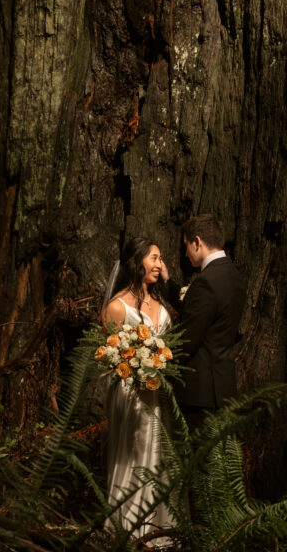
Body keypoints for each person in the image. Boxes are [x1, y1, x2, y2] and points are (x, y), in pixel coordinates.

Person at [101, 236, 175, 542]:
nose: (159, 265)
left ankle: (157, 532)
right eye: (154, 258)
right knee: (133, 457)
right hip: (131, 394)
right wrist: (135, 367)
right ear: (136, 262)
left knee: (159, 458)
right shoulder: (117, 307)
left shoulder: (161, 302)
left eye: (161, 258)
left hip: (159, 392)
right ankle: (129, 532)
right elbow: (108, 354)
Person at [175, 214, 246, 432]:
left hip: (200, 391)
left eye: (186, 246)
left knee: (198, 460)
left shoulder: (205, 282)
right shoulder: (234, 275)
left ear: (197, 242)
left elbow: (188, 339)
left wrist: (158, 360)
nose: (185, 254)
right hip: (223, 385)